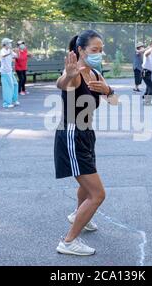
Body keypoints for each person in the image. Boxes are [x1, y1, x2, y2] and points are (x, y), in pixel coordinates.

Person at [54, 30, 118, 256]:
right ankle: (69, 241)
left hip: (87, 134)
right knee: (98, 194)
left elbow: (114, 101)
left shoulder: (96, 74)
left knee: (86, 182)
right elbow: (61, 84)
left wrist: (108, 90)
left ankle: (79, 214)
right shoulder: (75, 72)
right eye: (94, 50)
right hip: (71, 134)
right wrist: (69, 75)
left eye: (101, 50)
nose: (99, 54)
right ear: (80, 50)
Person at [0, 38, 20, 108]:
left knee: (15, 84)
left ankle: (14, 100)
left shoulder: (9, 50)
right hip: (5, 72)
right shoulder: (3, 50)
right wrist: (9, 53)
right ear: (5, 44)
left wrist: (17, 51)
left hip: (10, 71)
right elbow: (3, 56)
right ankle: (7, 103)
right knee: (9, 87)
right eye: (9, 43)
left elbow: (17, 57)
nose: (10, 44)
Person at [141, 40, 152, 106]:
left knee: (148, 86)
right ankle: (147, 102)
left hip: (149, 72)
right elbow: (146, 54)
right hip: (145, 72)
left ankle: (145, 98)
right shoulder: (148, 51)